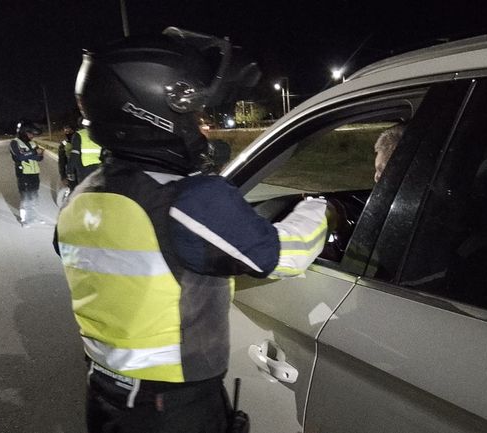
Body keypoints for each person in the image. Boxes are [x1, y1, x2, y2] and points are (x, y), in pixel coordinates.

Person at [53, 29, 327, 433]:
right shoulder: (188, 199)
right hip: (173, 406)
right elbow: (286, 254)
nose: (202, 127)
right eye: (194, 115)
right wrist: (324, 209)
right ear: (156, 112)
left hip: (107, 395)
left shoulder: (82, 195)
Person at [9, 120, 45, 227]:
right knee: (26, 197)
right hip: (23, 174)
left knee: (34, 196)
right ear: (24, 132)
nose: (32, 136)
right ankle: (25, 220)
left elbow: (40, 157)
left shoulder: (32, 143)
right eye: (31, 134)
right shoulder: (14, 143)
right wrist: (33, 153)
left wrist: (29, 154)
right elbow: (19, 156)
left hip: (34, 173)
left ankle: (34, 217)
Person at [68, 118, 102, 184]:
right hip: (99, 167)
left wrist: (70, 170)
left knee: (85, 191)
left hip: (85, 169)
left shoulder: (78, 135)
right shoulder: (98, 134)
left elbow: (75, 153)